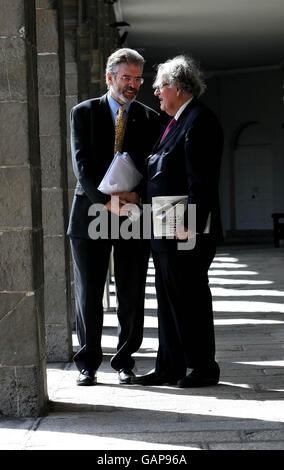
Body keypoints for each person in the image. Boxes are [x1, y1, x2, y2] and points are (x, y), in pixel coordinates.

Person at [68, 48, 160, 386]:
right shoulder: (83, 112)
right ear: (109, 78)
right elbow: (82, 165)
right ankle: (88, 363)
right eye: (127, 78)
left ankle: (124, 361)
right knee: (89, 291)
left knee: (131, 290)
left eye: (138, 78)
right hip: (92, 212)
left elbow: (154, 167)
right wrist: (107, 202)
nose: (133, 84)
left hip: (133, 214)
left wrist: (137, 197)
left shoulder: (150, 118)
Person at [131, 55, 223, 387]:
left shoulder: (200, 120)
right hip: (165, 218)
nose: (155, 92)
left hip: (184, 224)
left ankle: (203, 367)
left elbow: (202, 180)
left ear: (179, 87)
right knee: (169, 296)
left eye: (160, 86)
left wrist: (192, 225)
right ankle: (169, 366)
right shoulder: (175, 121)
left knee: (191, 296)